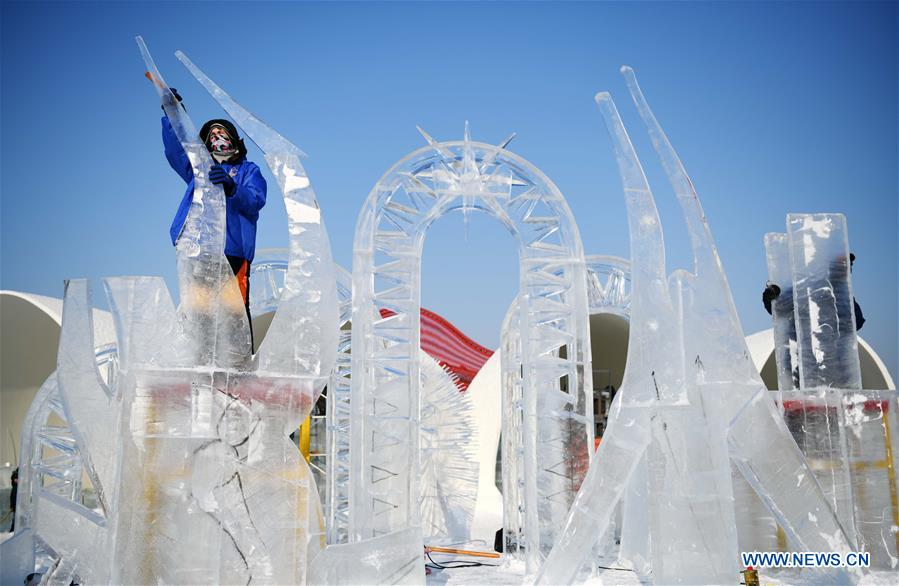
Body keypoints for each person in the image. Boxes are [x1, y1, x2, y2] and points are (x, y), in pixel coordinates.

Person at [160, 88, 266, 350]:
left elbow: (255, 200)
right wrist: (173, 113)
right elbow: (178, 149)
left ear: (234, 140)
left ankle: (240, 365)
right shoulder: (199, 170)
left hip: (233, 252)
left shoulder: (248, 170)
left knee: (234, 313)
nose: (218, 139)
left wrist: (232, 187)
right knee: (200, 314)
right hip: (200, 252)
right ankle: (202, 361)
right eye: (212, 136)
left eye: (222, 134)